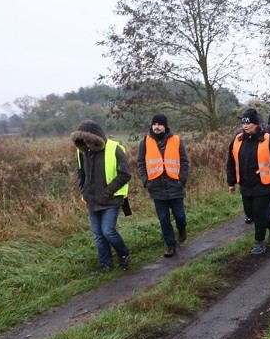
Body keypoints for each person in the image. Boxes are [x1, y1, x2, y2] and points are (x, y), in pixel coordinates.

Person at [70, 119, 132, 273]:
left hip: (111, 199)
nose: (86, 142)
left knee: (108, 232)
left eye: (88, 138)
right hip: (92, 200)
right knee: (98, 235)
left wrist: (108, 191)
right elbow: (81, 173)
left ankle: (124, 255)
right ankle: (106, 264)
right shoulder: (81, 152)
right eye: (83, 139)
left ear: (96, 136)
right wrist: (83, 190)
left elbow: (125, 174)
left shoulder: (115, 149)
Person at [226, 109, 270, 255]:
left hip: (264, 184)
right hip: (246, 184)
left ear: (256, 124)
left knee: (259, 213)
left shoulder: (268, 139)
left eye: (248, 123)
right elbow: (231, 162)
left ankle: (259, 242)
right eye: (243, 123)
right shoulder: (237, 140)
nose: (245, 126)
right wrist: (231, 182)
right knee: (251, 214)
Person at [137, 113, 189, 258]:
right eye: (154, 124)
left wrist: (182, 180)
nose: (156, 127)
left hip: (175, 186)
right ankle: (170, 245)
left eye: (159, 124)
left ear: (165, 126)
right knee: (164, 219)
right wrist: (146, 181)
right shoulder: (145, 142)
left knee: (179, 215)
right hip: (156, 187)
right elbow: (140, 163)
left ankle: (182, 229)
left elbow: (185, 161)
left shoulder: (177, 140)